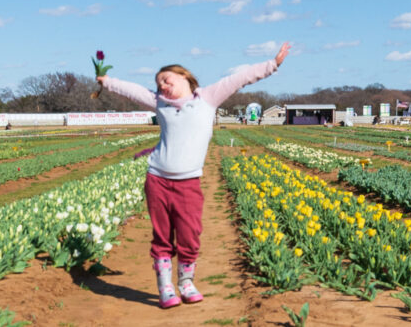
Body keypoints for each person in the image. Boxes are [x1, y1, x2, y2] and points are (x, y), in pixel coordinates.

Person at [97, 43, 291, 309]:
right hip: (157, 179)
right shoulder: (159, 103)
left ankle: (186, 281)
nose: (162, 86)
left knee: (190, 234)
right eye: (159, 84)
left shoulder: (207, 98)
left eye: (166, 79)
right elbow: (133, 91)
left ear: (184, 76)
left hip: (188, 182)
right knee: (162, 235)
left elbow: (239, 79)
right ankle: (165, 286)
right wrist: (107, 81)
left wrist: (272, 64)